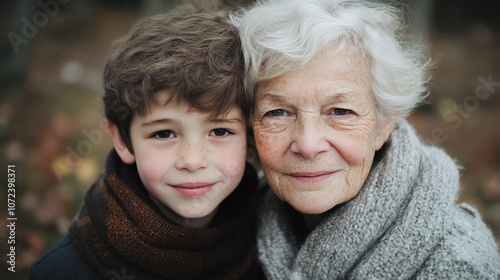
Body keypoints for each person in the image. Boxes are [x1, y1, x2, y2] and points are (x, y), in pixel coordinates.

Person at [231, 0, 500, 278]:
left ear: (384, 124)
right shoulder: (235, 228)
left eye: (340, 111)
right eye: (277, 113)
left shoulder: (459, 264)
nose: (308, 145)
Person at [30, 3, 265, 279]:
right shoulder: (61, 271)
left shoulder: (275, 245)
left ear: (250, 136)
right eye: (163, 133)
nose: (192, 161)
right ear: (122, 140)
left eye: (220, 131)